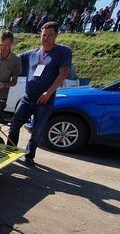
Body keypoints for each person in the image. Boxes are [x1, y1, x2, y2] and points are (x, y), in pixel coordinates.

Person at [8, 22, 72, 167]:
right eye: (44, 35)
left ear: (56, 35)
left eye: (50, 35)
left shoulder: (63, 52)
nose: (46, 38)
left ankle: (29, 156)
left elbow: (63, 75)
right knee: (15, 124)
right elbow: (12, 59)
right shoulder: (31, 54)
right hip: (27, 97)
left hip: (45, 99)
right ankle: (9, 151)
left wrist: (48, 93)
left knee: (37, 130)